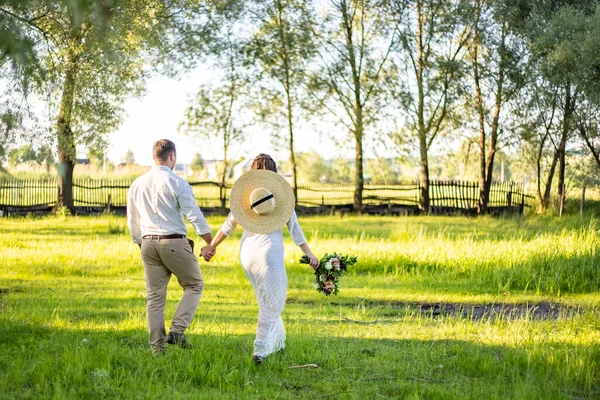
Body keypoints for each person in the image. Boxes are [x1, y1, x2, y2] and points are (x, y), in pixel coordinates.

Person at [202, 154, 319, 364]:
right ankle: (260, 349)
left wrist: (212, 246)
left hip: (247, 254)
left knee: (267, 298)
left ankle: (278, 341)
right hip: (268, 254)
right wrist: (309, 254)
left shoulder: (248, 197)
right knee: (272, 303)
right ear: (273, 173)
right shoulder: (279, 199)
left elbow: (228, 225)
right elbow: (295, 230)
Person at [127, 139, 215, 355]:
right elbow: (194, 215)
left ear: (154, 156)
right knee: (194, 285)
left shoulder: (137, 184)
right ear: (172, 156)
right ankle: (177, 331)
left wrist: (140, 243)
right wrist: (209, 242)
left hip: (147, 243)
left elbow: (133, 220)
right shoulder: (177, 183)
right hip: (173, 241)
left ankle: (157, 349)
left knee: (155, 296)